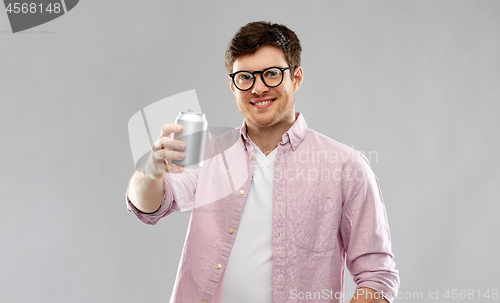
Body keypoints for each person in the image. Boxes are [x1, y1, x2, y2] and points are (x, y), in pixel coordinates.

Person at [126, 21, 400, 303]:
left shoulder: (345, 166)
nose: (257, 88)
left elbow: (377, 277)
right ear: (233, 86)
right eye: (245, 77)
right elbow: (149, 207)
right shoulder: (207, 154)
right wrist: (150, 172)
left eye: (271, 74)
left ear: (296, 78)